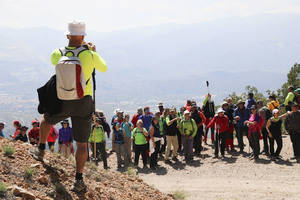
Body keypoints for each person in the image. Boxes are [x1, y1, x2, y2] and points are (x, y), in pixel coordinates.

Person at [30, 21, 108, 192]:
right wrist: (93, 51)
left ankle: (41, 150)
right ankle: (78, 179)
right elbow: (104, 68)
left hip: (62, 99)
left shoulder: (57, 53)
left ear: (67, 36)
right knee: (81, 144)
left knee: (46, 120)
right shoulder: (89, 54)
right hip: (83, 101)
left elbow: (53, 62)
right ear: (83, 36)